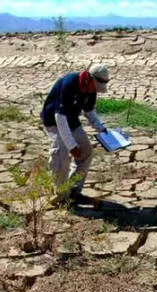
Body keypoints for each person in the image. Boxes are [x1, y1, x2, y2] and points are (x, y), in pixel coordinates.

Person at [40, 63, 110, 206]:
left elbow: (89, 111)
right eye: (95, 87)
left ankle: (73, 190)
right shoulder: (69, 83)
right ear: (89, 79)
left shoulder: (91, 89)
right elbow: (60, 117)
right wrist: (71, 145)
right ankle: (60, 196)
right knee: (61, 156)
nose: (95, 91)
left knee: (86, 152)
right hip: (54, 121)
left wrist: (101, 128)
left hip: (72, 120)